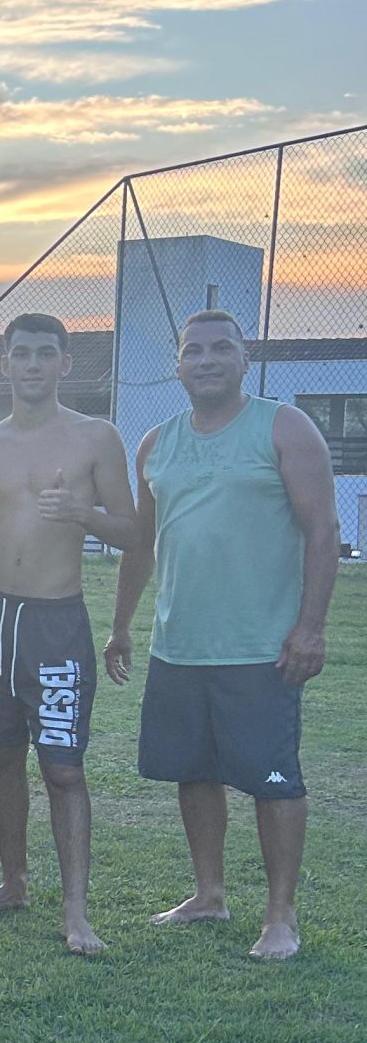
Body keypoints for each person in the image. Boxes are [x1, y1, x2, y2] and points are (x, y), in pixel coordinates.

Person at [105, 310, 338, 961]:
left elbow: (323, 530)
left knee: (273, 779)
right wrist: (121, 625)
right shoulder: (156, 443)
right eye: (194, 351)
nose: (206, 360)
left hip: (262, 648)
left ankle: (280, 916)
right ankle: (209, 894)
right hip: (178, 646)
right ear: (177, 365)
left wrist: (311, 628)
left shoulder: (284, 428)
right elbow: (142, 543)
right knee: (194, 771)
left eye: (220, 349)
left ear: (243, 359)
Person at [0, 312, 138, 956]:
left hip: (55, 621)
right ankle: (13, 883)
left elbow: (133, 532)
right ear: (5, 364)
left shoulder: (95, 437)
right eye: (21, 353)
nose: (32, 364)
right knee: (2, 756)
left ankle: (77, 913)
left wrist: (83, 513)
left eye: (45, 354)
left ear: (64, 364)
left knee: (63, 768)